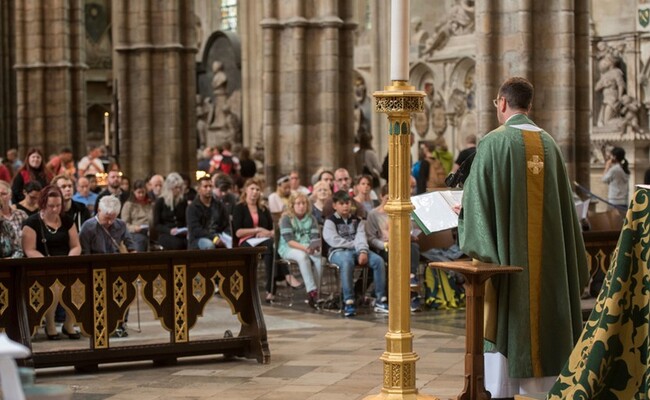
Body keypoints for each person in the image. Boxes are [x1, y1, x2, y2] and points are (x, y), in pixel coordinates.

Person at [458, 77, 588, 398]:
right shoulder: (551, 146)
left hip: (508, 272)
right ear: (529, 106)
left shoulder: (493, 143)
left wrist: (469, 226)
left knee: (506, 328)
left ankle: (501, 391)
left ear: (502, 103)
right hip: (548, 276)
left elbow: (475, 209)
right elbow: (568, 218)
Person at [22, 185, 82, 340]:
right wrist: (47, 261)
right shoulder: (32, 222)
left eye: (58, 205)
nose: (55, 209)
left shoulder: (66, 220)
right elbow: (29, 249)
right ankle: (50, 325)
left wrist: (70, 258)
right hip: (42, 266)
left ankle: (69, 324)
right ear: (43, 204)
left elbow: (76, 245)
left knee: (78, 287)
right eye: (51, 206)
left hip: (66, 263)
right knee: (54, 289)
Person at [232, 178, 301, 303]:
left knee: (270, 247)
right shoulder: (239, 208)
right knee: (270, 246)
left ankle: (271, 290)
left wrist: (267, 233)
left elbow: (272, 230)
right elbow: (238, 232)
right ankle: (284, 277)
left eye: (257, 189)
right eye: (252, 189)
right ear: (246, 191)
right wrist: (256, 230)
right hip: (246, 241)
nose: (255, 192)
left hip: (264, 241)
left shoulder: (263, 209)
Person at [322, 190, 388, 317]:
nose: (345, 206)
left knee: (378, 261)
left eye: (347, 203)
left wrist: (362, 250)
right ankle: (349, 301)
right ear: (335, 205)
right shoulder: (330, 221)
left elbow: (361, 237)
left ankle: (381, 299)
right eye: (341, 203)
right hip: (338, 252)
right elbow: (333, 240)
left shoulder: (357, 220)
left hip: (358, 250)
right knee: (347, 261)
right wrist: (355, 245)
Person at [79, 195, 136, 338]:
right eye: (107, 217)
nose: (110, 222)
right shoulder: (88, 227)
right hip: (94, 267)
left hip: (116, 266)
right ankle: (100, 324)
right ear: (99, 210)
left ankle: (120, 324)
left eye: (113, 217)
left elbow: (131, 245)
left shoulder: (121, 225)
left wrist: (133, 256)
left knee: (124, 292)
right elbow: (84, 253)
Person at [365, 185, 421, 311]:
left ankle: (411, 278)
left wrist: (410, 235)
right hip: (385, 247)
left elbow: (410, 230)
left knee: (414, 247)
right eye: (387, 198)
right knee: (396, 256)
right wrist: (385, 244)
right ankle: (402, 295)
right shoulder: (373, 214)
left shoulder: (401, 213)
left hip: (402, 244)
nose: (390, 202)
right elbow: (371, 237)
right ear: (381, 197)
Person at [278, 193, 322, 307]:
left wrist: (314, 247)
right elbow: (289, 241)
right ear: (292, 205)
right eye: (298, 203)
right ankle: (311, 291)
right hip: (288, 248)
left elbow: (314, 237)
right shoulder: (286, 218)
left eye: (304, 203)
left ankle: (317, 292)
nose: (301, 206)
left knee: (319, 258)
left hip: (307, 247)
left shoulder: (311, 218)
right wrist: (305, 248)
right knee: (302, 256)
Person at [186, 175, 229, 249]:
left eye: (210, 186)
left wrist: (226, 237)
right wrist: (213, 238)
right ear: (199, 189)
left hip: (218, 236)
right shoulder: (192, 207)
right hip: (198, 239)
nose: (208, 189)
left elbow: (226, 224)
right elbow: (196, 230)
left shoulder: (219, 205)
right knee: (209, 245)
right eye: (205, 186)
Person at [153, 173, 188, 250]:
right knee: (177, 244)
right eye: (176, 187)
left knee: (189, 243)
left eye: (180, 187)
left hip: (181, 233)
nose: (178, 190)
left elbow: (185, 220)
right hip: (166, 233)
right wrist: (169, 230)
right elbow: (157, 224)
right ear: (169, 188)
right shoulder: (160, 202)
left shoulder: (182, 201)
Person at [120, 179, 153, 252]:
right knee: (141, 240)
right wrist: (134, 228)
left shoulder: (150, 203)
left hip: (150, 230)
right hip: (135, 232)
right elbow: (124, 224)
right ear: (134, 192)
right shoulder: (128, 205)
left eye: (143, 192)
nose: (141, 195)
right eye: (139, 192)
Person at [0, 181, 28, 245]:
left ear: (10, 196)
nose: (0, 197)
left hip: (23, 252)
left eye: (3, 194)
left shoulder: (21, 214)